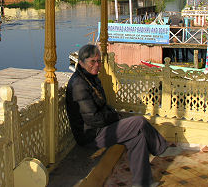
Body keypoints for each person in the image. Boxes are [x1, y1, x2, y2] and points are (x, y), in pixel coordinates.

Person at [66, 44, 167, 187]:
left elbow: (102, 105)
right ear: (81, 63)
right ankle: (161, 148)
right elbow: (92, 119)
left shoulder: (91, 78)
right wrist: (115, 118)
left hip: (99, 128)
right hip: (90, 135)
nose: (97, 65)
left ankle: (142, 183)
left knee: (137, 138)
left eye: (99, 61)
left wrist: (114, 115)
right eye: (92, 62)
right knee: (139, 122)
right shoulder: (79, 84)